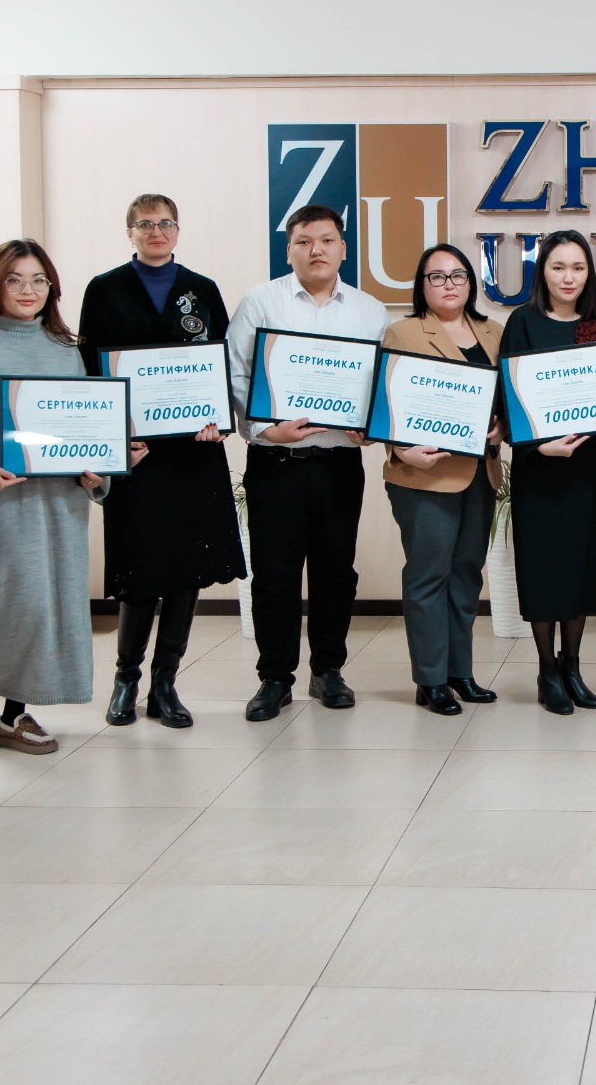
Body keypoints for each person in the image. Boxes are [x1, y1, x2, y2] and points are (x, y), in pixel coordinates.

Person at [0, 241, 118, 754]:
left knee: (52, 604)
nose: (27, 290)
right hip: (0, 495)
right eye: (14, 279)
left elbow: (84, 424)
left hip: (61, 498)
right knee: (14, 604)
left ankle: (10, 713)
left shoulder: (65, 348)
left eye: (39, 280)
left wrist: (97, 472)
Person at [76, 194, 245, 729]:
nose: (157, 231)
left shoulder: (203, 289)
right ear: (129, 231)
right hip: (137, 455)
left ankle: (165, 683)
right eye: (145, 224)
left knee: (186, 568)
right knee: (140, 568)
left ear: (178, 230)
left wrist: (219, 419)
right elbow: (90, 368)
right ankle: (126, 679)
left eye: (166, 223)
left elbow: (220, 363)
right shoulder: (104, 289)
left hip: (194, 453)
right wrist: (110, 435)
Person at [226, 204, 390, 721]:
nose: (316, 249)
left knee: (335, 572)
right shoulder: (260, 302)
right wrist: (263, 429)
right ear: (289, 249)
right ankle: (275, 678)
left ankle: (328, 671)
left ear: (343, 248)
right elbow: (235, 373)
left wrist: (373, 425)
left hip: (339, 463)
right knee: (274, 574)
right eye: (303, 241)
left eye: (326, 240)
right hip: (276, 461)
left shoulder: (370, 310)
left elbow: (381, 382)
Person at [501, 230, 596, 712]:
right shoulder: (523, 322)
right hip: (539, 468)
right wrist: (539, 445)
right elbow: (508, 398)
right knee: (544, 568)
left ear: (589, 274)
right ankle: (546, 670)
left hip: (587, 469)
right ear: (543, 272)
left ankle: (572, 666)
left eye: (577, 268)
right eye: (558, 267)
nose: (568, 277)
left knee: (581, 565)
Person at [380, 244, 505, 715]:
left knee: (466, 574)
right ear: (422, 285)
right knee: (428, 575)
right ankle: (430, 680)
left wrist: (503, 427)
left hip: (480, 473)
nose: (449, 284)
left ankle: (459, 673)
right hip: (424, 476)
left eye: (458, 275)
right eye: (437, 276)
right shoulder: (404, 332)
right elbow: (383, 401)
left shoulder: (494, 332)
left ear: (471, 282)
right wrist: (401, 449)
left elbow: (508, 397)